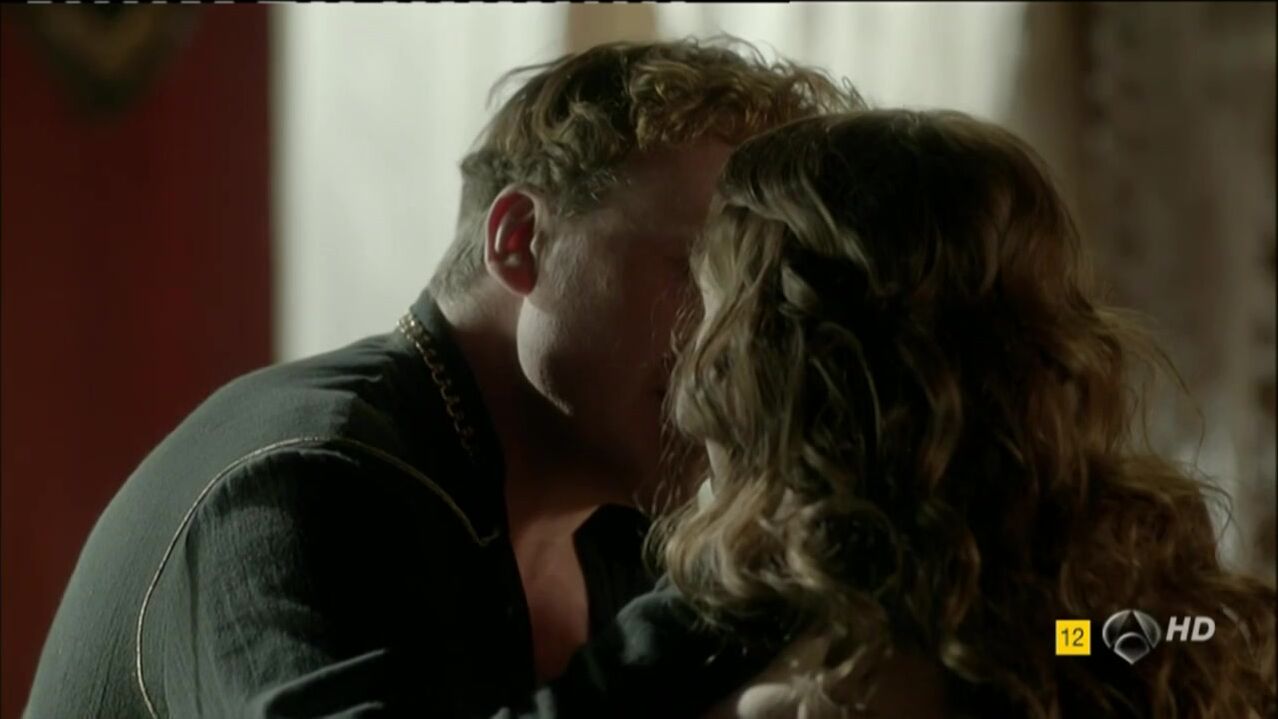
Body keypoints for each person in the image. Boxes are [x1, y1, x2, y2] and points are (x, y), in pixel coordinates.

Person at [23, 40, 861, 718]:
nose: (739, 337)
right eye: (704, 270)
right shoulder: (307, 476)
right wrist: (730, 592)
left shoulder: (623, 536)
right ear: (520, 241)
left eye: (764, 294)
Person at [651, 110, 1278, 718]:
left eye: (711, 317)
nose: (693, 369)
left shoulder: (815, 698)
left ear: (778, 372)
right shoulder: (1084, 607)